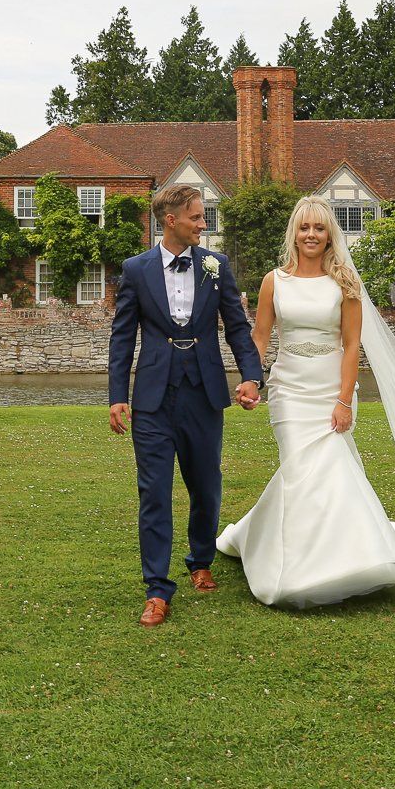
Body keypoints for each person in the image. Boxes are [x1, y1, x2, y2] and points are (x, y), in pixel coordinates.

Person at [216, 196, 395, 608]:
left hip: (329, 388)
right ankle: (290, 558)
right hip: (288, 390)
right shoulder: (274, 281)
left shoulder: (345, 282)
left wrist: (343, 401)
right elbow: (261, 336)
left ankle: (344, 556)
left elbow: (353, 345)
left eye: (319, 228)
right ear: (294, 233)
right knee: (300, 469)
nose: (311, 235)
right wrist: (251, 379)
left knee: (331, 468)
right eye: (304, 228)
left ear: (329, 234)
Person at [108, 184, 262, 628]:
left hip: (203, 391)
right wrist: (118, 395)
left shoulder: (216, 266)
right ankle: (157, 590)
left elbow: (237, 325)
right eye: (196, 217)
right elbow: (122, 337)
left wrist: (251, 375)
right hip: (153, 397)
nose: (203, 224)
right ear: (171, 220)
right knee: (153, 491)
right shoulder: (136, 270)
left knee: (206, 484)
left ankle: (200, 561)